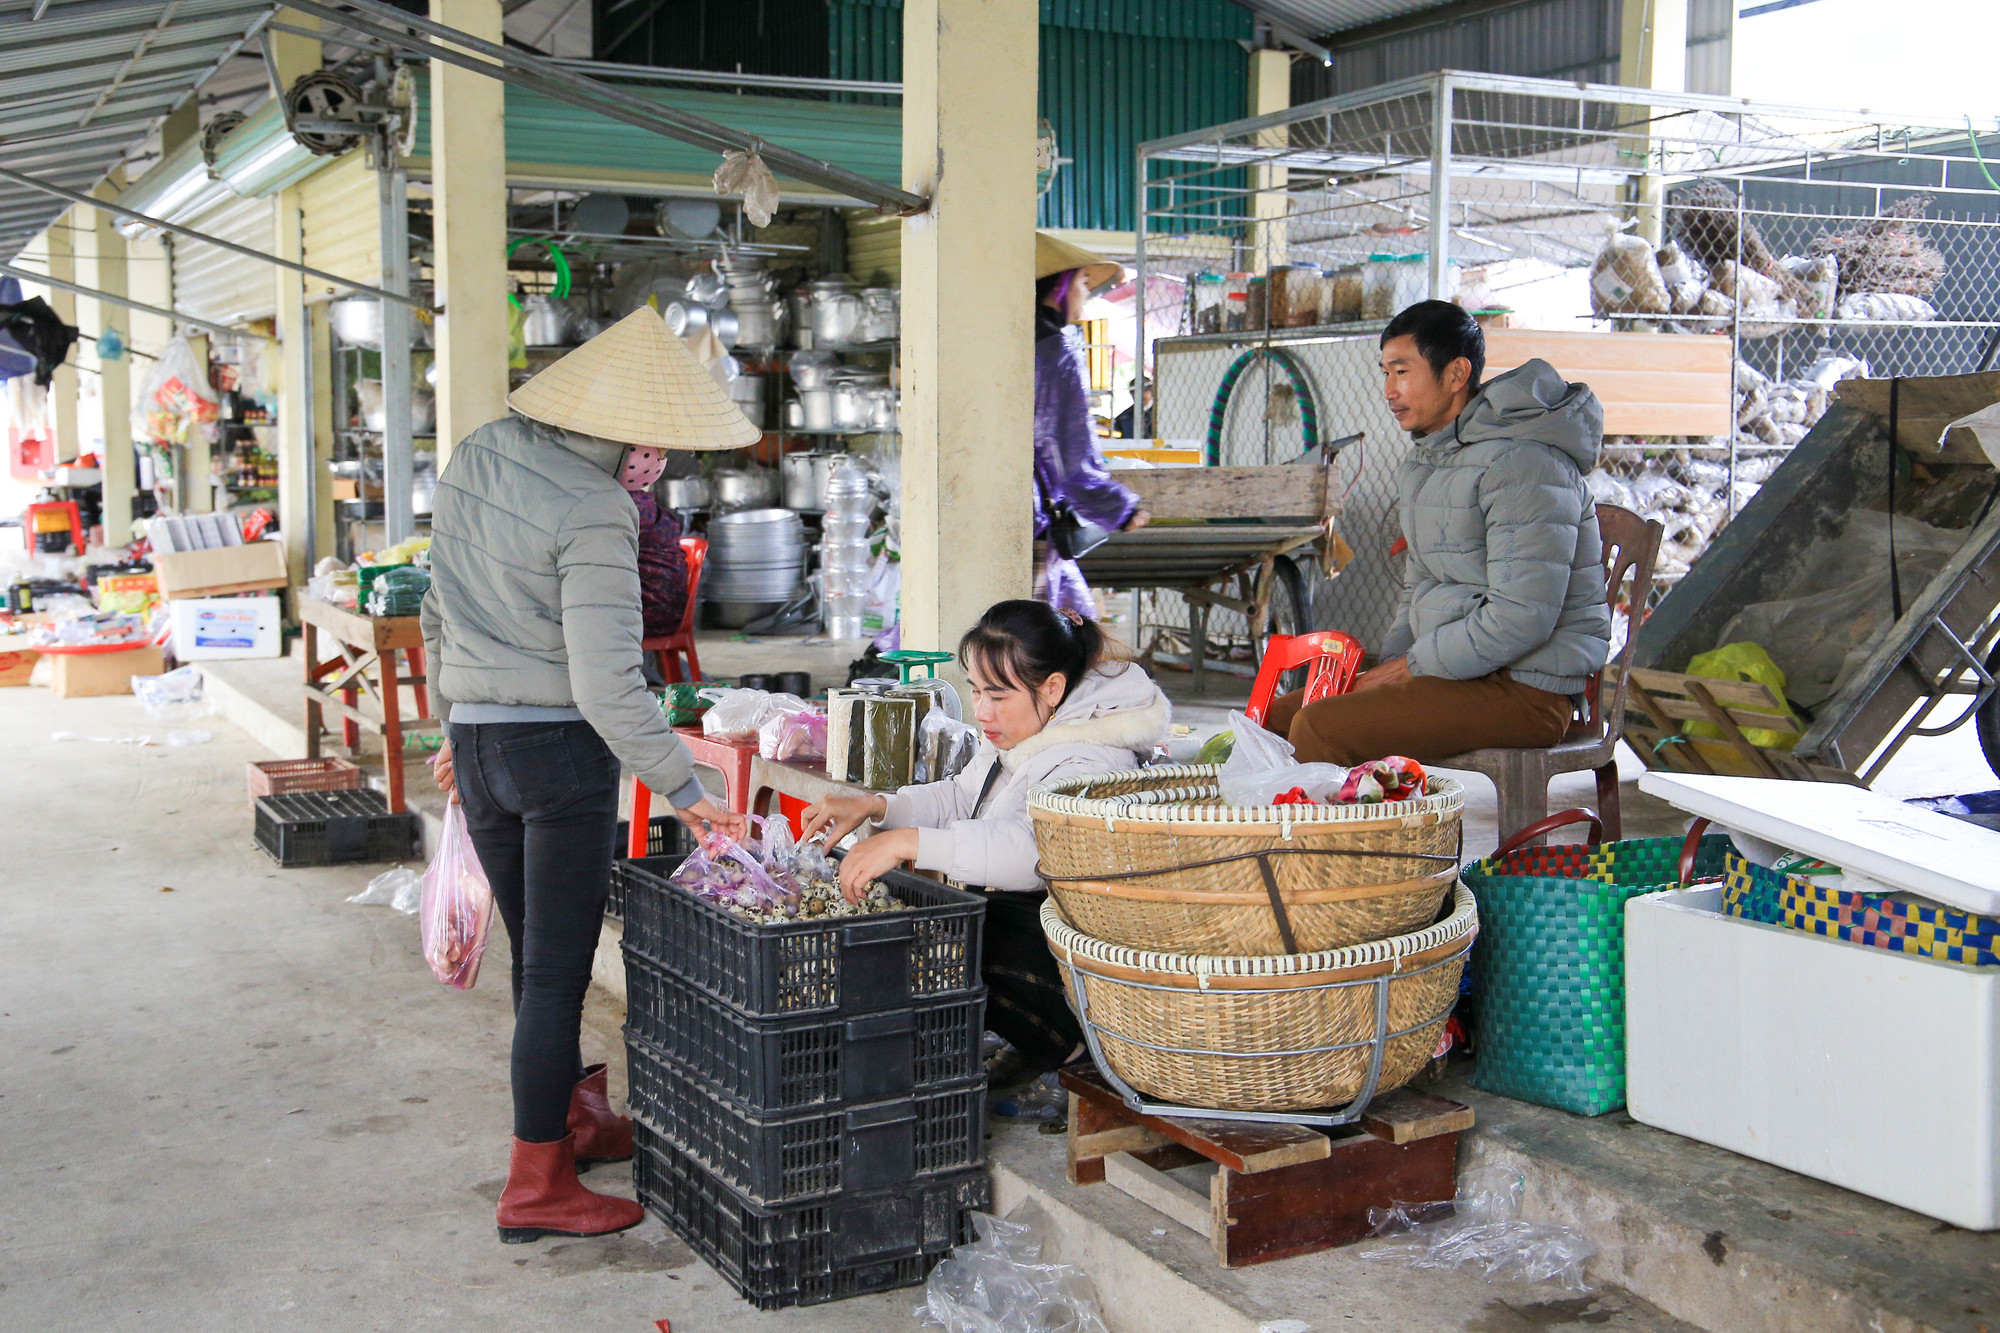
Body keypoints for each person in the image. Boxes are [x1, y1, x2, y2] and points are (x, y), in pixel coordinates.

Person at [421, 308, 753, 1245]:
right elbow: (607, 681)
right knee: (559, 974)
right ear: (627, 435)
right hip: (558, 756)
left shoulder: (479, 454)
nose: (657, 470)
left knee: (539, 963)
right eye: (655, 449)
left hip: (485, 749)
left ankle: (569, 1120)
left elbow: (439, 611)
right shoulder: (593, 505)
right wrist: (690, 793)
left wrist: (455, 725)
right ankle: (536, 1182)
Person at [799, 600, 1171, 1083]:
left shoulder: (1093, 761)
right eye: (975, 691)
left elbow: (1031, 853)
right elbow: (960, 794)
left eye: (998, 696)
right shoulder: (1033, 730)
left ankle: (1075, 1048)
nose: (981, 712)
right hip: (1045, 926)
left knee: (959, 939)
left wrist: (908, 842)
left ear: (1053, 687)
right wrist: (877, 807)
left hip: (1094, 959)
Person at [1263, 300, 1611, 764]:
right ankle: (1268, 835)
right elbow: (1421, 581)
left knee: (1321, 728)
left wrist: (1412, 667)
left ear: (1455, 374)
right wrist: (1394, 663)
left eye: (1402, 372)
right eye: (1384, 372)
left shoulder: (1525, 464)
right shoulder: (1430, 459)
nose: (1389, 390)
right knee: (1274, 716)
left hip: (1527, 691)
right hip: (1455, 672)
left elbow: (1523, 616)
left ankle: (1335, 838)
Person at [1034, 232, 1150, 620]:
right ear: (1059, 286)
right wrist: (1117, 506)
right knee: (1060, 635)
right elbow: (1066, 449)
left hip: (965, 508)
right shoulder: (1056, 350)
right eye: (1083, 282)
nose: (1085, 295)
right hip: (1026, 519)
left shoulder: (993, 341)